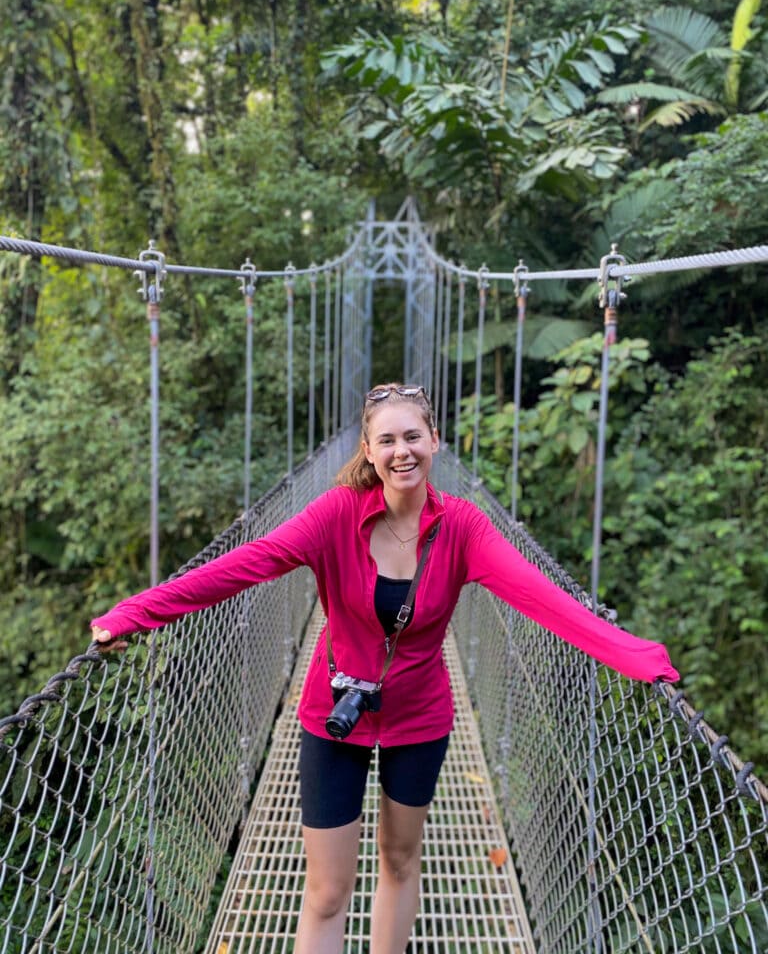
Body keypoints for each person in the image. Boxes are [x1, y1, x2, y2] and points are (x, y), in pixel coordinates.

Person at [91, 382, 679, 954]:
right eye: (388, 441)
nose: (403, 452)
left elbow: (542, 598)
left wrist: (636, 657)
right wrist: (135, 613)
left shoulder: (464, 529)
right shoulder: (335, 516)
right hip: (333, 712)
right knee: (326, 892)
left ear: (436, 442)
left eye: (413, 437)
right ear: (368, 451)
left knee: (399, 859)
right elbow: (249, 564)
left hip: (420, 716)